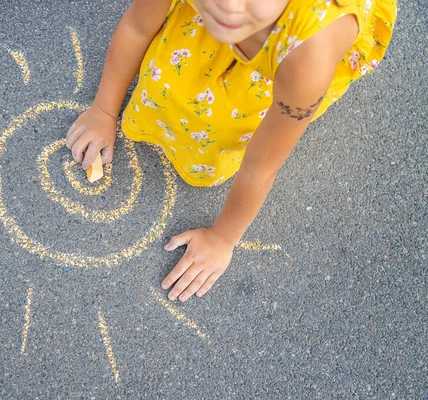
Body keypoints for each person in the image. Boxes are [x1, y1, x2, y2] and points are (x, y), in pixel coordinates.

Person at [65, 0, 396, 302]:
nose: (228, 5)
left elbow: (260, 166)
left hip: (284, 51)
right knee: (169, 79)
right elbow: (138, 25)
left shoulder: (311, 52)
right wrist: (104, 110)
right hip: (236, 32)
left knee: (222, 123)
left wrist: (223, 239)